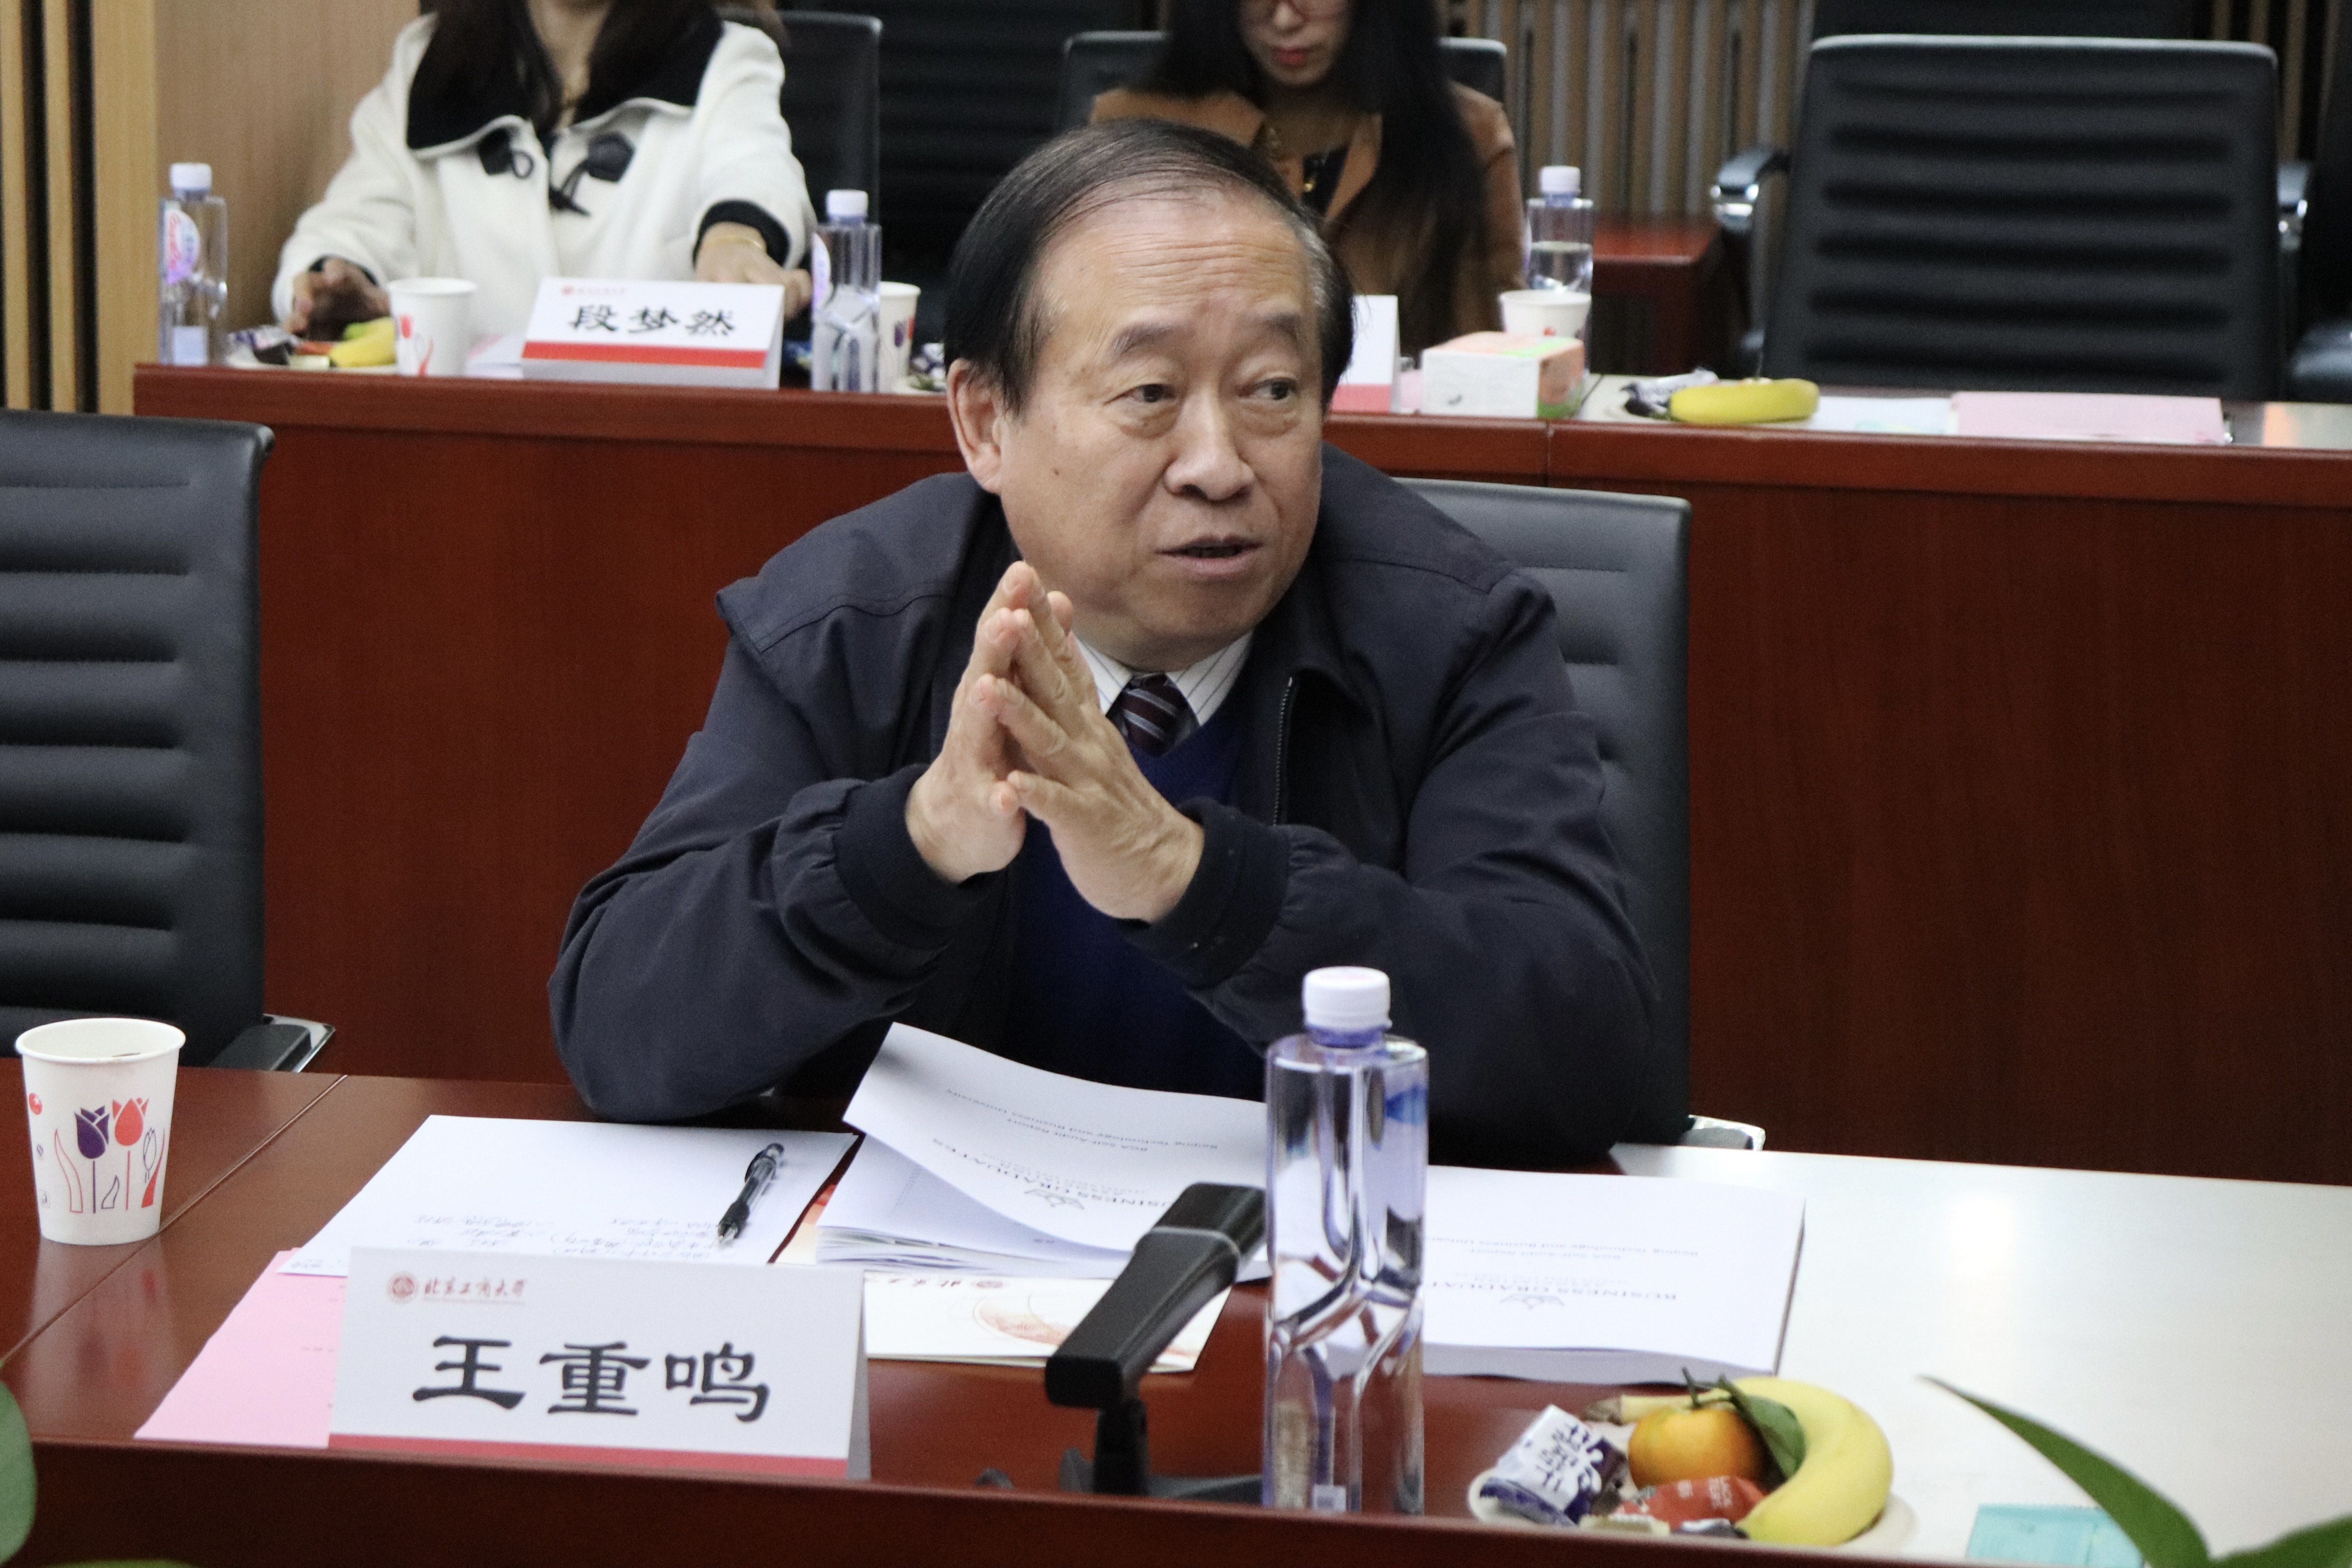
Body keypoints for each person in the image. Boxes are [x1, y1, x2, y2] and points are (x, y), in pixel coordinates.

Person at [550, 120, 1653, 1167]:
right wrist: (908, 844)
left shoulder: (1449, 628)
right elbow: (618, 1024)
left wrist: (1192, 880)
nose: (1217, 464)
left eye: (1271, 389)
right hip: (933, 1275)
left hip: (1304, 1254)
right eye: (1149, 392)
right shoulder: (847, 621)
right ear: (983, 421)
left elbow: (1587, 1047)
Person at [273, 0, 815, 340]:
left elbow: (755, 171)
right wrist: (335, 284)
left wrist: (733, 242)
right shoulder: (428, 65)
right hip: (465, 439)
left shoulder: (724, 61)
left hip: (653, 442)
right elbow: (355, 222)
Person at [1091, 0, 1523, 355]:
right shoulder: (1133, 129)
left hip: (1397, 431)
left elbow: (1493, 353)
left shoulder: (1471, 134)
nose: (1284, 18)